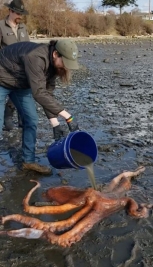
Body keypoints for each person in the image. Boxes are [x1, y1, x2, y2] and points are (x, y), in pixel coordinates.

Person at [0, 39, 81, 174]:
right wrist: (68, 117)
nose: (66, 67)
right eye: (65, 62)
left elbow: (47, 94)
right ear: (56, 54)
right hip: (2, 77)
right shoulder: (36, 57)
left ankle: (28, 161)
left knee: (31, 120)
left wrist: (55, 124)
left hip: (20, 84)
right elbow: (38, 93)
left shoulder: (54, 66)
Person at [0, 0, 30, 131]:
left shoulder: (23, 27)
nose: (20, 16)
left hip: (22, 70)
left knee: (21, 94)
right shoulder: (1, 26)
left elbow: (28, 48)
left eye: (21, 13)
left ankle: (21, 120)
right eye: (18, 13)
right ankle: (7, 118)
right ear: (10, 11)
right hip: (5, 70)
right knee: (9, 92)